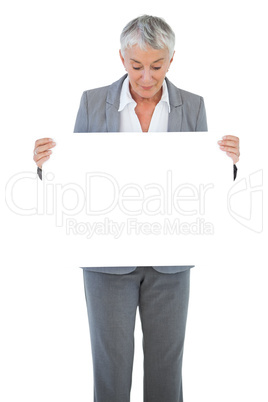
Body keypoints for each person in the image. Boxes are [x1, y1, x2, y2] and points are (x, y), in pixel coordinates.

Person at [33, 15, 240, 402]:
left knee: (166, 369)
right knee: (110, 369)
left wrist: (227, 165)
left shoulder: (193, 107)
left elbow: (204, 190)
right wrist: (48, 167)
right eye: (136, 65)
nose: (146, 77)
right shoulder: (93, 102)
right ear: (121, 58)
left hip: (171, 260)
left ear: (172, 60)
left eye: (157, 66)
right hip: (106, 261)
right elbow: (76, 185)